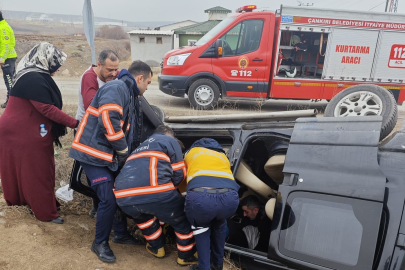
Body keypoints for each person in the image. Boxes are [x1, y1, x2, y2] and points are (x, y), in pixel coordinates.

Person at [69, 60, 152, 263]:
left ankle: (121, 234)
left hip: (104, 154)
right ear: (139, 78)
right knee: (108, 197)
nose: (148, 87)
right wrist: (123, 151)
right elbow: (108, 120)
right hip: (92, 153)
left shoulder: (129, 93)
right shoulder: (117, 87)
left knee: (118, 190)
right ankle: (100, 243)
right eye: (148, 82)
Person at [0, 42, 78, 223]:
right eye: (55, 65)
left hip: (20, 129)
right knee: (38, 171)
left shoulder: (30, 74)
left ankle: (25, 202)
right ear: (45, 60)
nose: (57, 70)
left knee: (26, 170)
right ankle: (46, 214)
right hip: (21, 132)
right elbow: (47, 109)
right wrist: (76, 123)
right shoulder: (33, 78)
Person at [114, 125, 198, 266]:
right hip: (156, 192)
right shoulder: (169, 141)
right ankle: (186, 256)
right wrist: (171, 192)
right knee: (181, 220)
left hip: (123, 197)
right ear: (169, 134)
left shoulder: (139, 147)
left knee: (144, 219)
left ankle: (157, 248)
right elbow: (179, 174)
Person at [73, 49, 120, 218]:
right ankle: (97, 205)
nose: (114, 74)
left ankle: (102, 204)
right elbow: (91, 106)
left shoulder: (112, 74)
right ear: (98, 65)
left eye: (116, 69)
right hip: (86, 133)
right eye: (110, 70)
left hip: (100, 131)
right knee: (95, 172)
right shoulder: (89, 77)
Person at [184, 138, 240, 270]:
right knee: (220, 225)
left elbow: (181, 175)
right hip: (230, 198)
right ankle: (217, 265)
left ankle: (204, 267)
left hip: (202, 198)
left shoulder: (191, 153)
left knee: (202, 231)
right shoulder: (223, 156)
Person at [0, 11, 17, 108]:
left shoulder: (3, 28)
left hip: (7, 59)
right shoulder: (2, 26)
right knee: (11, 80)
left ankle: (11, 103)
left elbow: (6, 45)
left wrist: (2, 58)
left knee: (9, 81)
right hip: (8, 58)